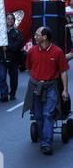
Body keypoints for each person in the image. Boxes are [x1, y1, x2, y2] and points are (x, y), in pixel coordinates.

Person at [22, 27, 69, 156]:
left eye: (37, 35)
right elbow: (29, 69)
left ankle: (46, 143)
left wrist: (65, 90)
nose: (35, 37)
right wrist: (36, 81)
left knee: (48, 114)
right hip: (36, 87)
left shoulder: (57, 52)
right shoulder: (31, 51)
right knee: (38, 115)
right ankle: (44, 137)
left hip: (51, 87)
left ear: (44, 37)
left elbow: (63, 71)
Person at [0, 13, 24, 102]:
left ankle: (12, 93)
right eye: (8, 19)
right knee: (2, 77)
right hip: (2, 59)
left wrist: (8, 47)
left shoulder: (17, 32)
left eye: (11, 19)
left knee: (13, 79)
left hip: (13, 59)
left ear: (14, 21)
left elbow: (17, 45)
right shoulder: (0, 31)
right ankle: (4, 95)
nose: (10, 20)